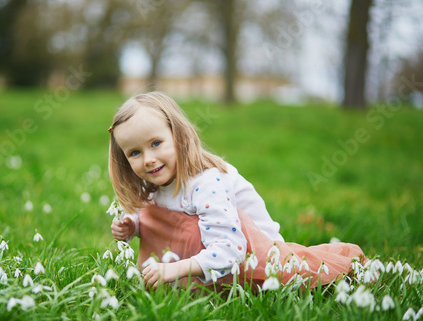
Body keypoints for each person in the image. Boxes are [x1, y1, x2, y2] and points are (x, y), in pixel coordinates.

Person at [108, 91, 366, 290]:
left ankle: (348, 268)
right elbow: (164, 214)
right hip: (214, 253)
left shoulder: (207, 183)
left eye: (156, 143)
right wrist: (134, 225)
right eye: (135, 153)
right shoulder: (157, 181)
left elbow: (231, 249)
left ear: (179, 136)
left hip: (258, 260)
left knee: (311, 276)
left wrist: (177, 269)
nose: (149, 159)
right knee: (156, 213)